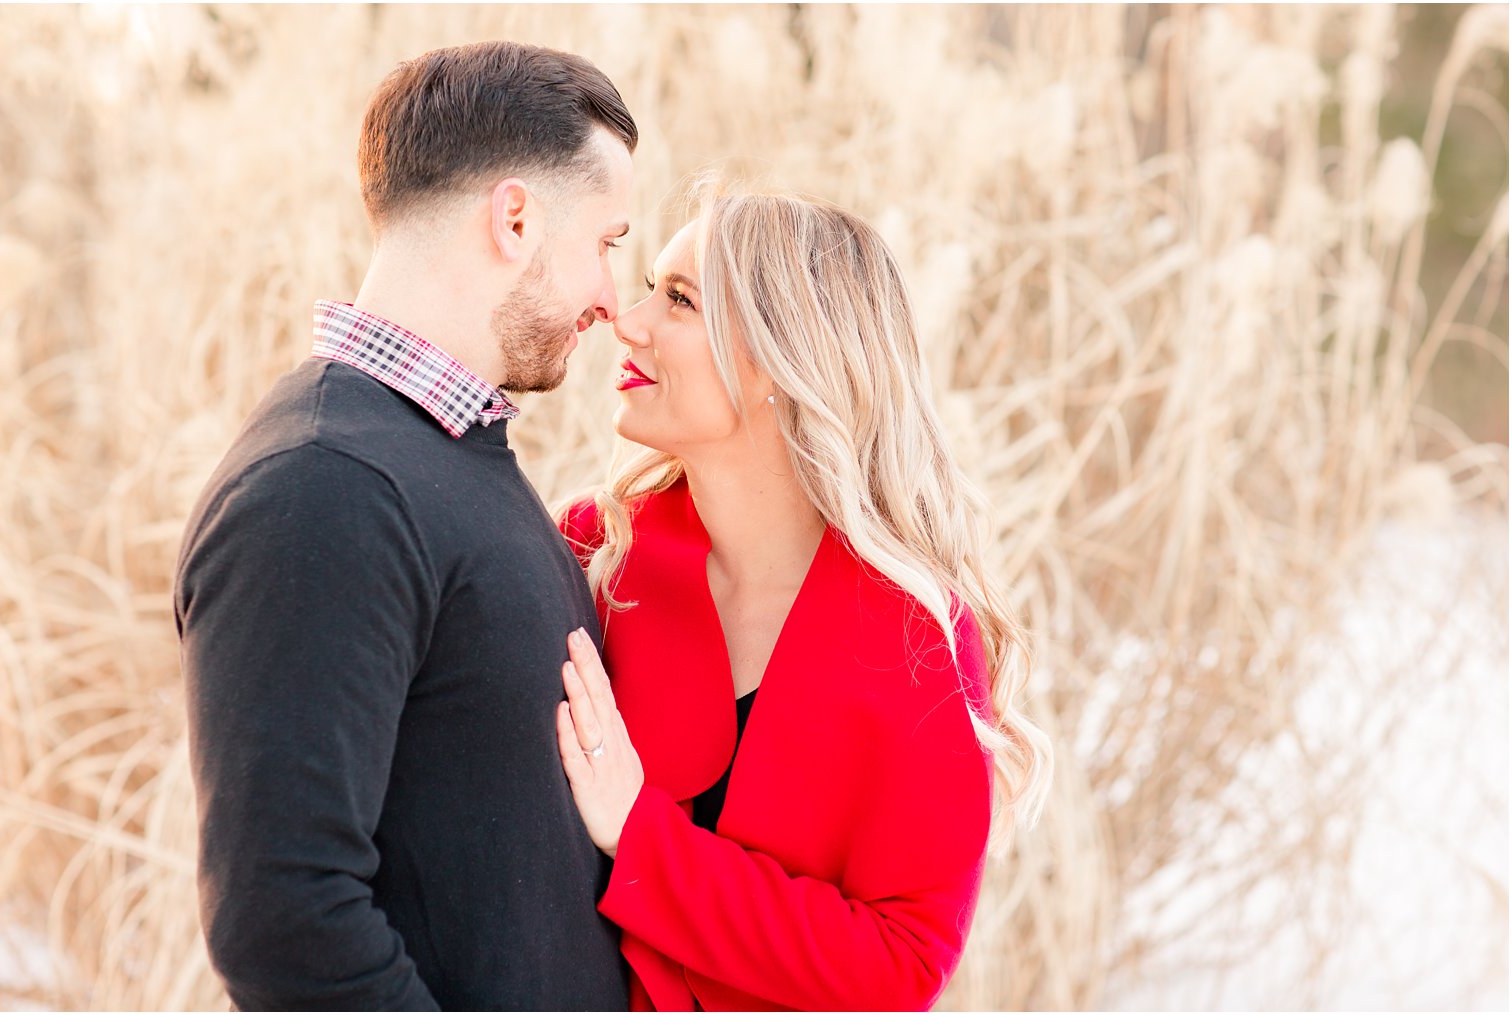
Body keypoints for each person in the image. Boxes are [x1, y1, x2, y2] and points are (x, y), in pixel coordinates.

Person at [174, 41, 637, 1010]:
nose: (611, 298)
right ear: (515, 217)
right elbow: (285, 918)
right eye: (606, 243)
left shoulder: (447, 459)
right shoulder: (321, 488)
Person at [553, 191, 1054, 1011]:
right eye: (649, 285)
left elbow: (900, 967)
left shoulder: (916, 636)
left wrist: (642, 837)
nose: (627, 319)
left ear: (779, 365)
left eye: (678, 298)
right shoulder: (592, 549)